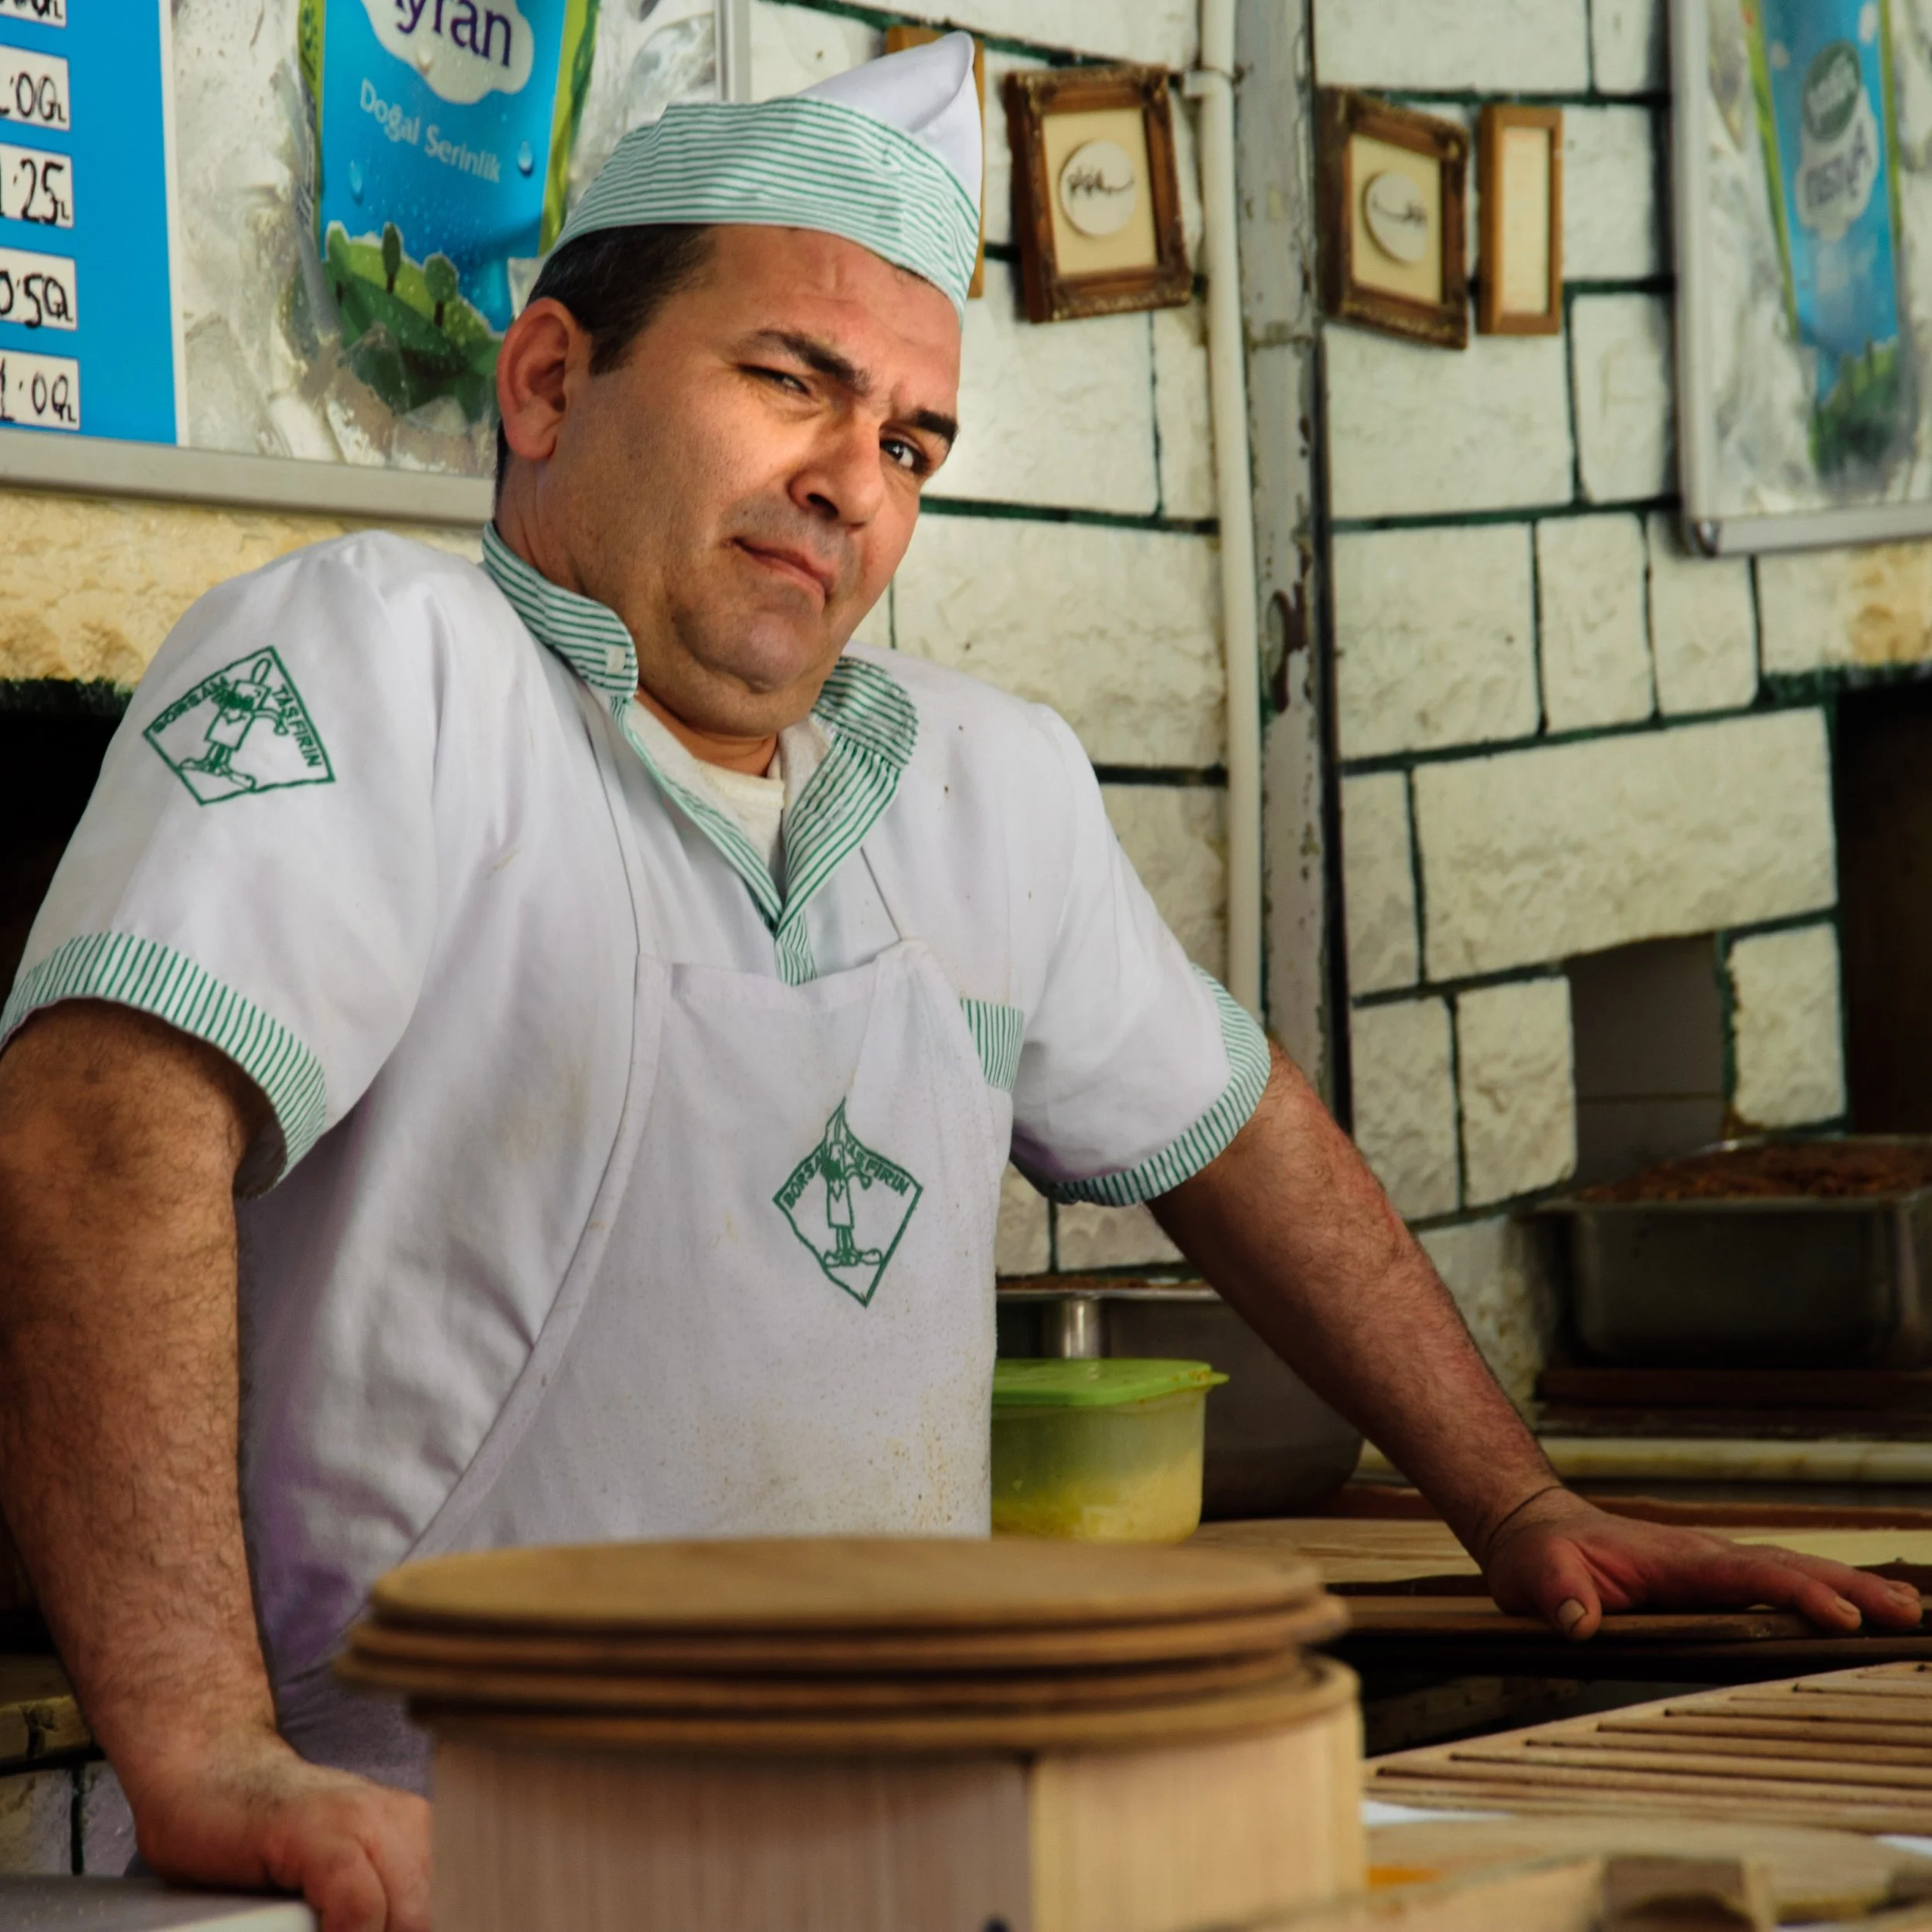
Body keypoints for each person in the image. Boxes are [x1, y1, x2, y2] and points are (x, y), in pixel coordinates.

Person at [0, 36, 1916, 1932]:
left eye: (909, 442)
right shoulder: (376, 658)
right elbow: (88, 1142)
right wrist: (209, 1747)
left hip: (902, 1839)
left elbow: (1235, 1128)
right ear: (546, 375)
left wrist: (1515, 1505)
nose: (852, 484)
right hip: (428, 1848)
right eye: (790, 382)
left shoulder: (978, 776)